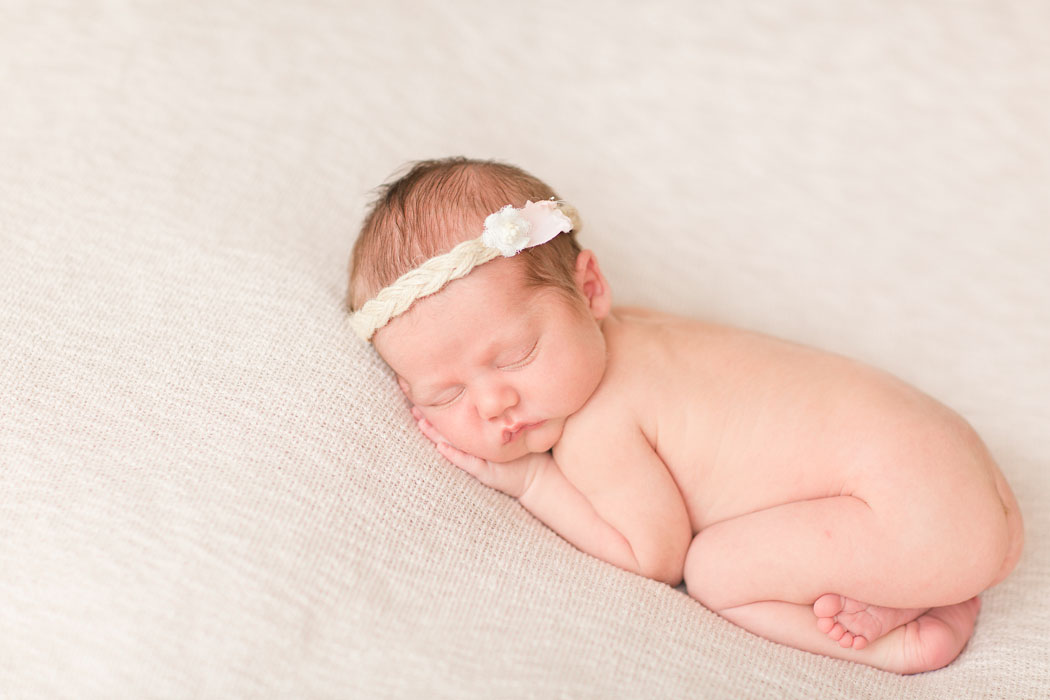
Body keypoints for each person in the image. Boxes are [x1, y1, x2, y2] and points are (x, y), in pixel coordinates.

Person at [346, 157, 1024, 674]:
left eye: (517, 354)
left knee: (712, 573)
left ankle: (902, 640)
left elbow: (652, 555)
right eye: (444, 396)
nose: (493, 403)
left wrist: (531, 484)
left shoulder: (598, 429)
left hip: (919, 516)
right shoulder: (644, 331)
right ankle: (926, 579)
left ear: (591, 288)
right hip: (958, 470)